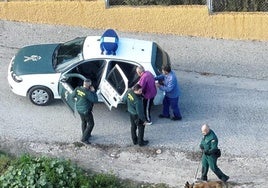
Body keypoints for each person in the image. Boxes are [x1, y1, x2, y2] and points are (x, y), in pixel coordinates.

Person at [71, 79, 98, 144]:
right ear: (89, 85)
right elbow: (95, 100)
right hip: (86, 110)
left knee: (84, 121)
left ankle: (85, 134)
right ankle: (84, 139)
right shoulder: (88, 92)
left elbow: (72, 96)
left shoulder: (77, 89)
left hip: (79, 109)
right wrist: (93, 91)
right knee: (91, 124)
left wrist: (77, 101)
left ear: (83, 84)